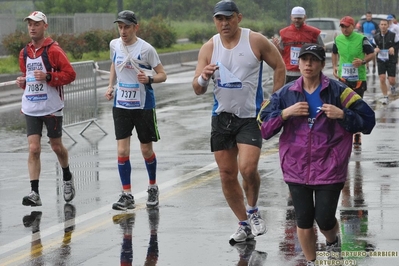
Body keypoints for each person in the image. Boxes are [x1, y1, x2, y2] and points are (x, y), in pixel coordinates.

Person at [258, 43, 376, 266]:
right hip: (296, 166)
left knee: (323, 218)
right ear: (298, 63)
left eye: (313, 60)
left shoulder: (338, 91)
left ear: (322, 64)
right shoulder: (286, 93)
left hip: (330, 166)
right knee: (303, 220)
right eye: (304, 60)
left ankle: (332, 242)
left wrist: (343, 114)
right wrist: (285, 113)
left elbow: (368, 120)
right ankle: (312, 262)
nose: (308, 64)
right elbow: (263, 126)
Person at [192, 0, 286, 243]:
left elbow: (280, 67)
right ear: (215, 21)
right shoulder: (209, 47)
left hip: (249, 118)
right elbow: (197, 89)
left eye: (228, 18)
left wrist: (273, 101)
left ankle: (253, 210)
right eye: (219, 19)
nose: (224, 23)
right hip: (221, 118)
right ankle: (243, 223)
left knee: (248, 168)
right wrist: (203, 78)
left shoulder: (255, 40)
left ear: (239, 18)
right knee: (226, 174)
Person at [105, 10, 167, 211]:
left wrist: (149, 79)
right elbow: (115, 63)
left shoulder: (146, 49)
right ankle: (126, 194)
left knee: (145, 149)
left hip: (143, 105)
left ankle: (152, 186)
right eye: (120, 27)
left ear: (135, 27)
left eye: (127, 27)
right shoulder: (115, 44)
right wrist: (110, 86)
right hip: (121, 104)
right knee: (122, 150)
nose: (123, 31)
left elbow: (162, 75)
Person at [16, 11, 77, 207]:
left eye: (36, 24)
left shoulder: (54, 51)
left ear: (45, 26)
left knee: (56, 147)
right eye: (30, 24)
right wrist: (23, 82)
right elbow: (29, 79)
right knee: (33, 148)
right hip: (32, 107)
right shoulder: (24, 53)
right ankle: (34, 192)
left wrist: (50, 77)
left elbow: (70, 74)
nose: (32, 28)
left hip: (51, 107)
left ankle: (67, 176)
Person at [332, 16, 375, 150]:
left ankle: (356, 133)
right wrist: (334, 66)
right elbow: (334, 53)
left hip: (358, 79)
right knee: (343, 106)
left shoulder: (362, 39)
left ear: (353, 26)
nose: (344, 29)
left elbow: (372, 54)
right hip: (343, 78)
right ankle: (344, 133)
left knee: (355, 106)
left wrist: (362, 62)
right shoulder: (338, 39)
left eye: (347, 26)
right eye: (342, 27)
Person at [272, 6, 324, 84]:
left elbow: (322, 49)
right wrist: (276, 47)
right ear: (291, 17)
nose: (297, 20)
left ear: (304, 17)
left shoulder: (314, 32)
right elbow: (281, 52)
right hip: (289, 72)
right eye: (295, 18)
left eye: (299, 18)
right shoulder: (284, 33)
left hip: (308, 71)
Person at [372, 19, 398, 102]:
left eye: (385, 24)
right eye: (382, 24)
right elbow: (371, 46)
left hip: (391, 60)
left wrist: (393, 48)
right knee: (382, 78)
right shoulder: (376, 37)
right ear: (379, 26)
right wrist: (375, 49)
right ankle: (385, 96)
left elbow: (398, 44)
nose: (383, 26)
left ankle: (393, 86)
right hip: (381, 59)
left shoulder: (393, 35)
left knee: (391, 80)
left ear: (388, 26)